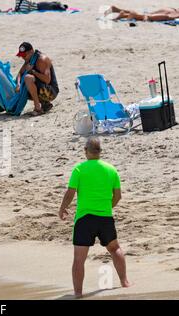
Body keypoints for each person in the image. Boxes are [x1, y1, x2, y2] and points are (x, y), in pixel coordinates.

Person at [58, 137, 131, 298]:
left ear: (85, 151)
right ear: (100, 152)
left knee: (79, 258)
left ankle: (78, 293)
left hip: (84, 219)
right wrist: (107, 207)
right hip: (105, 218)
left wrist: (62, 208)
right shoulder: (111, 169)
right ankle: (125, 282)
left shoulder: (79, 169)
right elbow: (118, 196)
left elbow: (70, 193)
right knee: (115, 249)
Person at [15, 42, 59, 116]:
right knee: (21, 84)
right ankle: (45, 104)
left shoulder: (42, 60)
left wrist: (32, 71)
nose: (23, 58)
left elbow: (47, 80)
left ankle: (38, 108)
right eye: (21, 56)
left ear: (31, 52)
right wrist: (18, 84)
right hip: (42, 89)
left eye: (24, 55)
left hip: (51, 92)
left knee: (28, 78)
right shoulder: (29, 59)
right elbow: (19, 74)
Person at [105, 5, 179, 21]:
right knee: (167, 17)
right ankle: (133, 15)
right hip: (174, 13)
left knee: (148, 14)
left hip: (171, 9)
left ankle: (118, 10)